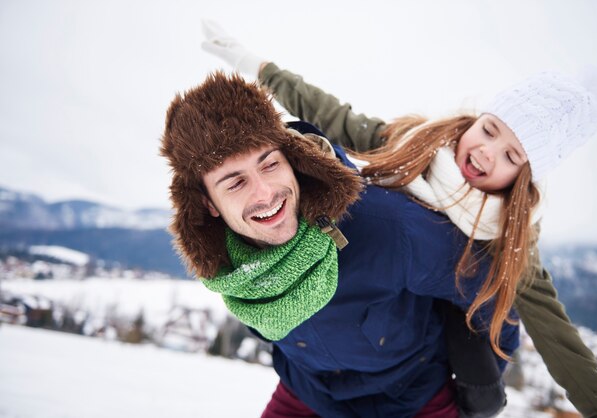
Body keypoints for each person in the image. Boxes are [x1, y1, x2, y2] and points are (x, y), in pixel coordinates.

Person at [199, 20, 597, 418]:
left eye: (511, 156)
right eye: (490, 130)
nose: (485, 152)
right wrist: (254, 65)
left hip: (413, 370)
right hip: (332, 345)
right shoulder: (411, 146)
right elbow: (328, 113)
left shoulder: (509, 235)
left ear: (522, 176)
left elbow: (557, 337)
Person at [160, 71, 519, 417]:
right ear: (209, 204)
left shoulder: (388, 227)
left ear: (291, 157)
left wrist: (485, 377)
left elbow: (486, 287)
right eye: (235, 183)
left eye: (269, 165)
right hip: (309, 391)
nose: (265, 193)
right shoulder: (226, 263)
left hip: (409, 395)